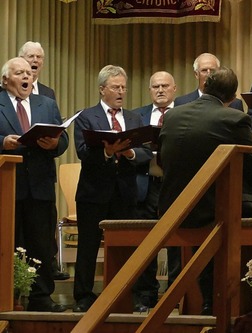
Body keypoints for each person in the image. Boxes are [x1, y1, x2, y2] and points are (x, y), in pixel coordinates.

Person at [158, 66, 252, 315]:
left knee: (210, 228)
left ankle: (208, 302)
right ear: (233, 97)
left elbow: (164, 162)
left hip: (175, 208)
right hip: (212, 208)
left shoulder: (173, 116)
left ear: (204, 87)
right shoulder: (233, 118)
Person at [72, 65, 153, 312]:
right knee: (88, 246)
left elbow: (146, 152)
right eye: (115, 87)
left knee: (128, 247)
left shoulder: (134, 118)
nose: (120, 92)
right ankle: (84, 297)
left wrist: (129, 153)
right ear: (102, 89)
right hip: (93, 193)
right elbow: (83, 152)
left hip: (125, 193)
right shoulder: (86, 116)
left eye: (123, 87)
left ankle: (127, 295)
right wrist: (107, 151)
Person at [0, 57, 68, 312]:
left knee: (40, 243)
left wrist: (55, 145)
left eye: (29, 73)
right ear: (6, 80)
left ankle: (41, 298)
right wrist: (2, 142)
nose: (27, 77)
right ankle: (7, 295)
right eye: (19, 73)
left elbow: (63, 138)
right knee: (7, 242)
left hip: (40, 186)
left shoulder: (47, 104)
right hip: (7, 185)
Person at [19, 41, 69, 281]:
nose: (35, 61)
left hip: (41, 174)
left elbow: (59, 129)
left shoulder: (48, 95)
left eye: (39, 57)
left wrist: (56, 144)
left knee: (44, 227)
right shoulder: (2, 95)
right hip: (15, 174)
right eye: (30, 56)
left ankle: (47, 268)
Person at [130, 71, 177, 312]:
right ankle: (146, 294)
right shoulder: (137, 115)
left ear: (174, 89)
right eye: (155, 86)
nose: (160, 90)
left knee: (177, 241)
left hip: (176, 185)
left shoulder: (183, 113)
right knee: (145, 241)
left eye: (165, 86)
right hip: (145, 185)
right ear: (149, 90)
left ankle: (176, 291)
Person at [174, 52, 243, 111]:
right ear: (196, 74)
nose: (208, 74)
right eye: (204, 70)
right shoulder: (182, 102)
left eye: (212, 70)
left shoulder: (234, 104)